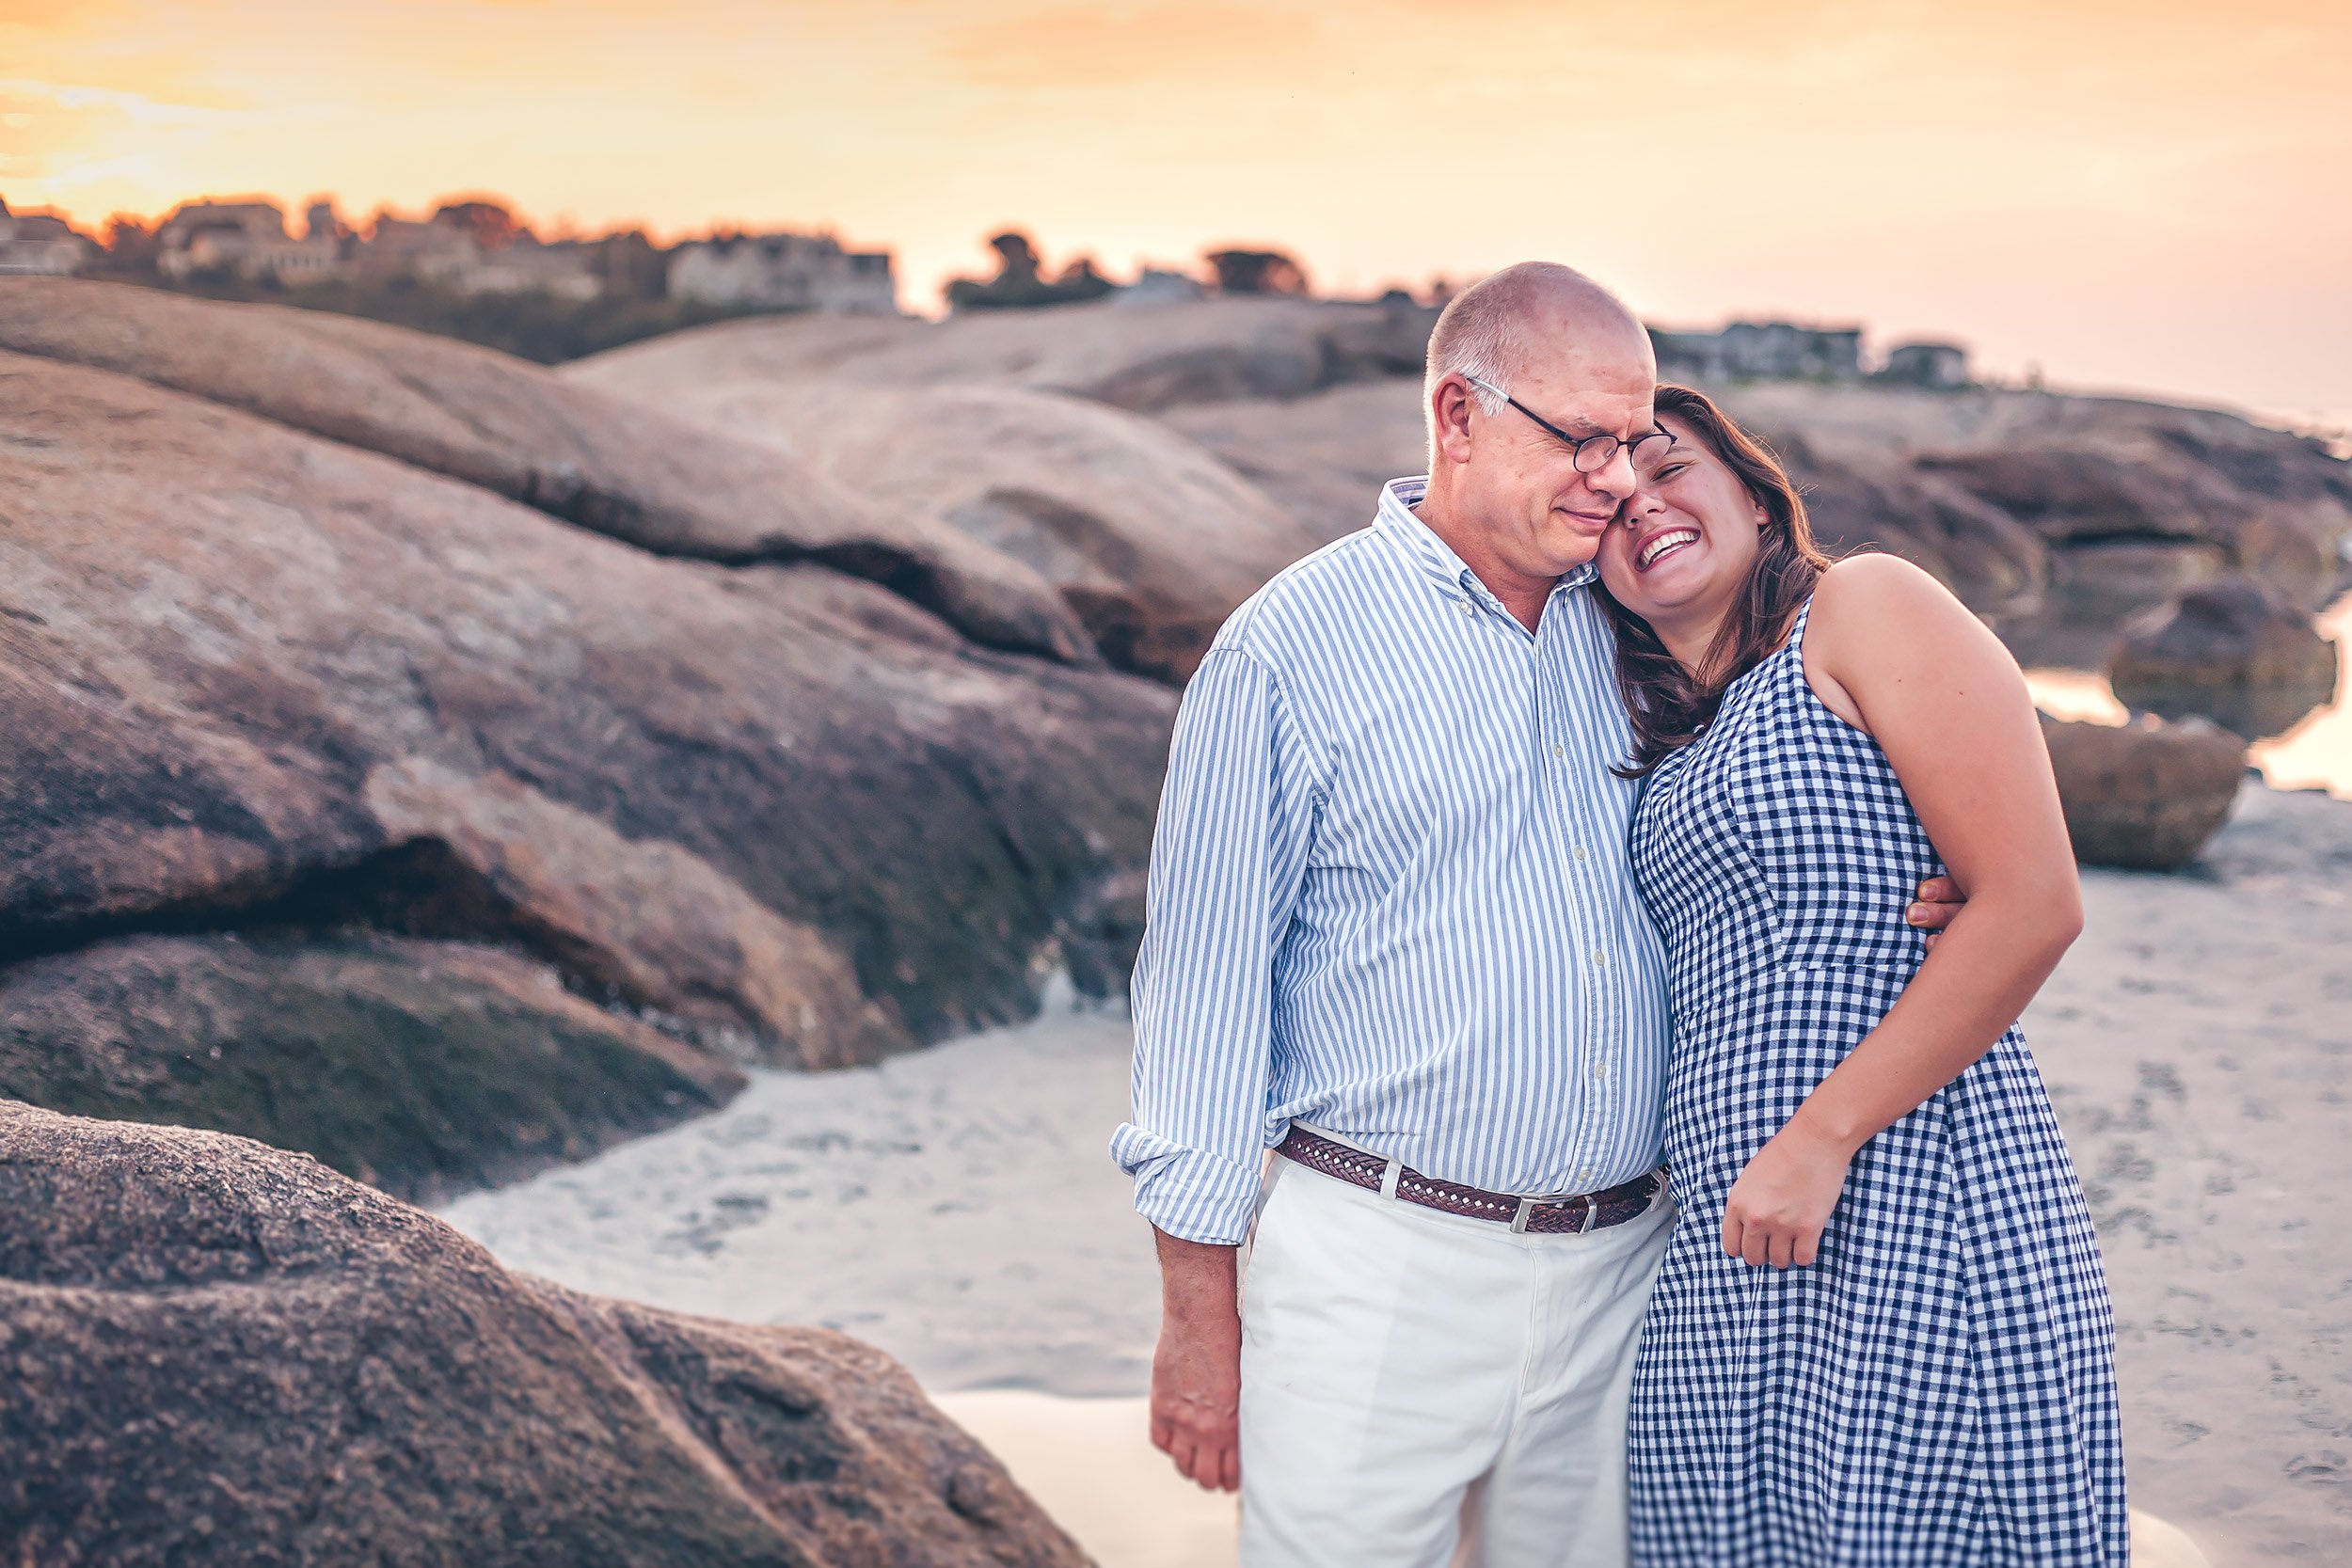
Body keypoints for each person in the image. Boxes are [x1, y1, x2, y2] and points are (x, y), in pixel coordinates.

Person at [1110, 265, 1963, 1566]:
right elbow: (1201, 1000)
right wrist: (1197, 1321)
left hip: (1629, 1272)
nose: (1618, 478)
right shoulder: (1289, 647)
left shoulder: (1631, 621)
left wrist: (1925, 862)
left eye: (1632, 442)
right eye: (1582, 438)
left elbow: (1822, 748)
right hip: (1378, 1266)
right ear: (1459, 413)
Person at [1596, 386, 2126, 1566]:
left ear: (1751, 489)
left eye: (1670, 468)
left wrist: (1817, 1138)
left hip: (1904, 1186)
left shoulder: (1860, 606)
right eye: (1609, 503)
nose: (1642, 505)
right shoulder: (1665, 725)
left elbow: (2034, 901)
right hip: (1726, 1246)